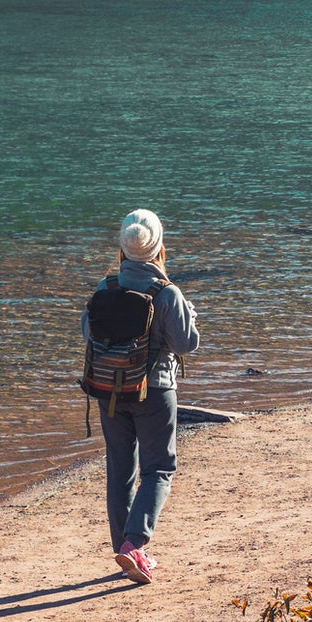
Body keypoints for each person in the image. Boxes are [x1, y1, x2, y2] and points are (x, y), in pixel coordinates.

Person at [84, 208, 199, 585]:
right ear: (159, 246)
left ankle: (125, 549)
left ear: (122, 246)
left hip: (108, 390)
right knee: (159, 469)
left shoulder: (105, 289)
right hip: (155, 390)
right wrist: (190, 318)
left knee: (120, 470)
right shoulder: (167, 293)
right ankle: (134, 545)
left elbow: (88, 334)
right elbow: (186, 344)